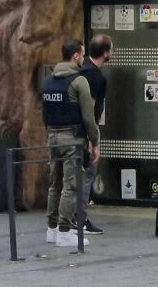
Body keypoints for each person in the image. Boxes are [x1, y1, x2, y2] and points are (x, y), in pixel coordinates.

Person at [43, 40, 100, 248]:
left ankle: (52, 229)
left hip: (52, 137)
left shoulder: (48, 81)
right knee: (72, 185)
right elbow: (88, 117)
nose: (84, 58)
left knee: (54, 184)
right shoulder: (79, 81)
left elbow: (45, 113)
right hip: (72, 138)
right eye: (82, 54)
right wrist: (95, 142)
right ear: (75, 56)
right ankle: (65, 231)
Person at [74, 34, 112, 235]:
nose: (113, 52)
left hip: (71, 129)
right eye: (111, 49)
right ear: (105, 53)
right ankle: (79, 219)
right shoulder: (96, 77)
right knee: (88, 174)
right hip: (85, 132)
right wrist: (93, 140)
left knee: (73, 178)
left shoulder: (80, 70)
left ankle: (67, 220)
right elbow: (91, 110)